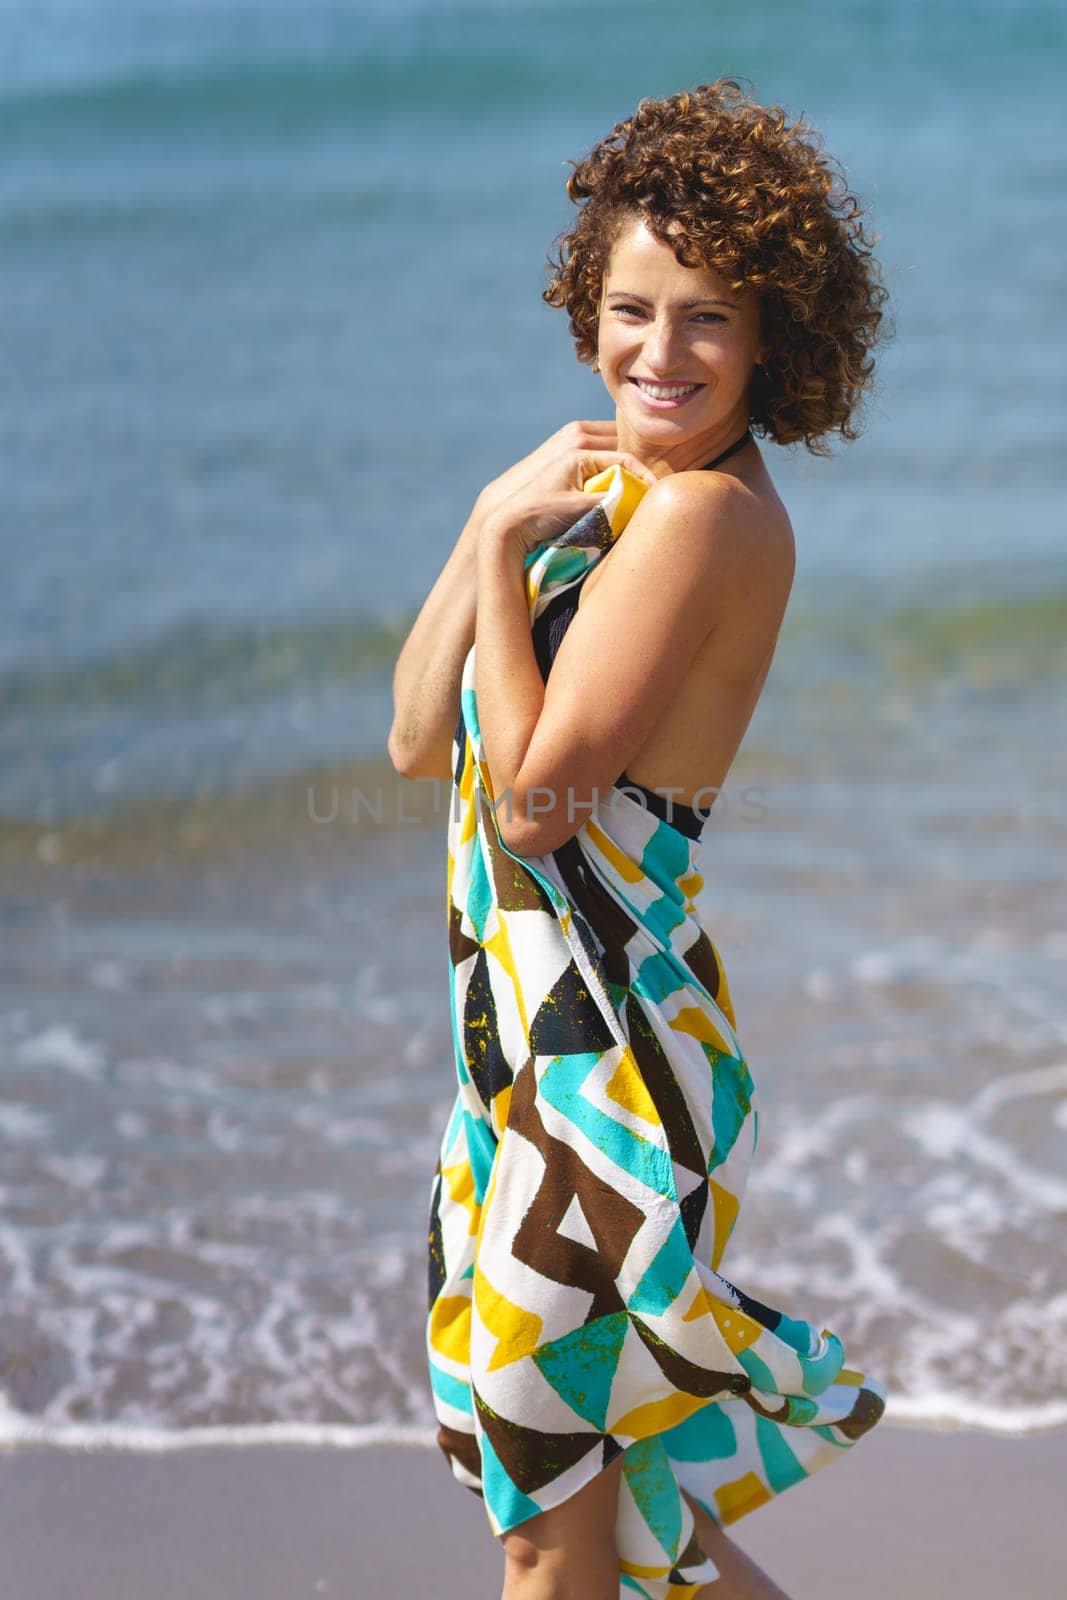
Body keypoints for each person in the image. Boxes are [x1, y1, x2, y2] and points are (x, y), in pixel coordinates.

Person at [389, 77, 890, 1600]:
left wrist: (493, 555)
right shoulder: (614, 491)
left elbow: (536, 810)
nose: (658, 352)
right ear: (583, 308)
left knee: (549, 1523)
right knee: (629, 1530)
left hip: (610, 1065)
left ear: (773, 336)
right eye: (630, 308)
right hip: (525, 1055)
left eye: (707, 318)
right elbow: (417, 739)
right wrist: (498, 511)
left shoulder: (700, 522)